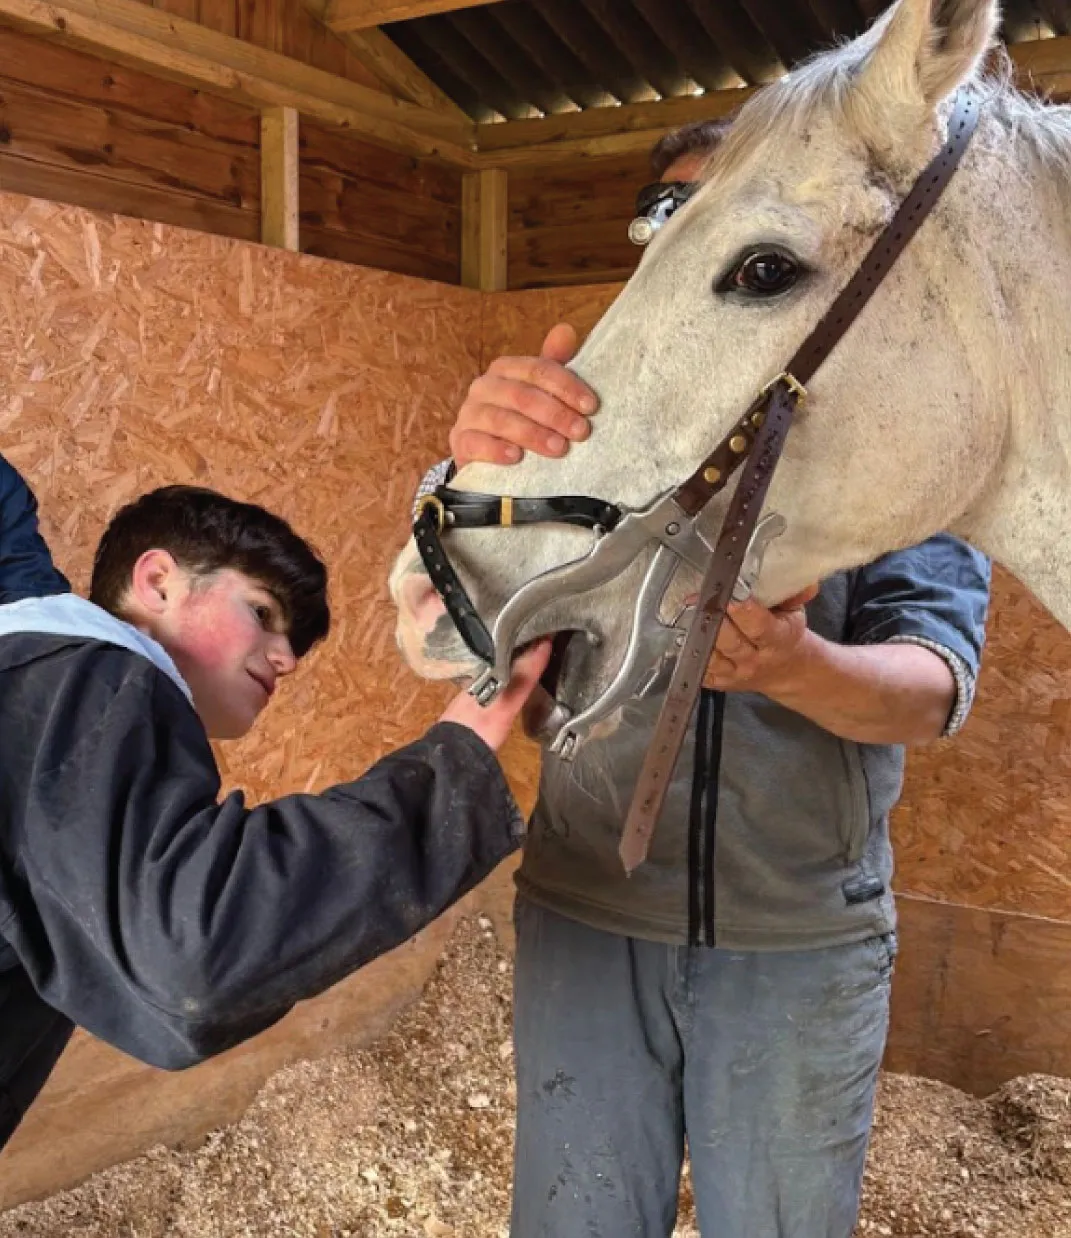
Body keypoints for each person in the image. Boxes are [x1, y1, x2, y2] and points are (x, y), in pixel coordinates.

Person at [424, 118, 993, 1238]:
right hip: (590, 912)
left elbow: (933, 683)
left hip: (794, 941)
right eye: (670, 215)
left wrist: (794, 665)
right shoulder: (584, 416)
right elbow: (475, 631)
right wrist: (474, 478)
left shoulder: (888, 438)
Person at [0, 459, 549, 1152]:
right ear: (157, 581)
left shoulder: (27, 662)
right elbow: (191, 953)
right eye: (261, 614)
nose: (284, 658)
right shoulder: (85, 676)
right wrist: (461, 748)